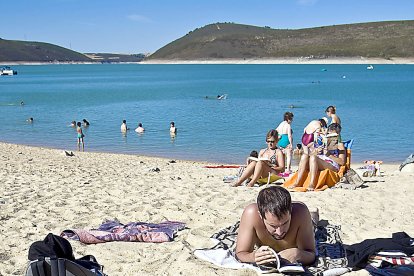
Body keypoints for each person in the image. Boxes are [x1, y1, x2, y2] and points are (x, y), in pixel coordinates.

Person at [235, 186, 316, 265]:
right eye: (273, 226)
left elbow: (311, 253)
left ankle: (314, 215)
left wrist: (298, 254)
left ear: (290, 211)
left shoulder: (301, 213)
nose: (279, 232)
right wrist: (253, 257)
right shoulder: (252, 214)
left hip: (306, 221)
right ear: (260, 215)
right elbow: (240, 253)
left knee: (314, 223)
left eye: (285, 223)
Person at [289, 123, 346, 191]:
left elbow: (342, 162)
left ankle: (312, 184)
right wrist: (316, 152)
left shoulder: (340, 145)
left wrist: (329, 155)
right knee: (304, 156)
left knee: (313, 158)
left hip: (332, 165)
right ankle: (297, 182)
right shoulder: (322, 141)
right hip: (319, 161)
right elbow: (311, 154)